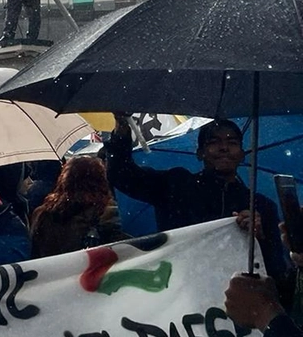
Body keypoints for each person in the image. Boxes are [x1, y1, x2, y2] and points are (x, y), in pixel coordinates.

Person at [105, 115, 285, 279]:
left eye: (232, 142)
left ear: (242, 154)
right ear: (200, 153)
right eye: (214, 142)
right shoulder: (176, 185)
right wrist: (122, 129)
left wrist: (259, 238)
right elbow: (122, 175)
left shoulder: (261, 205)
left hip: (239, 302)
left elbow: (277, 271)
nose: (224, 148)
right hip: (182, 290)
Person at [29, 157, 127, 259]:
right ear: (101, 180)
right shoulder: (106, 214)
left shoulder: (42, 214)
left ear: (64, 179)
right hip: (90, 272)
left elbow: (35, 254)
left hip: (54, 272)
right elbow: (121, 253)